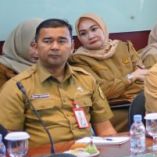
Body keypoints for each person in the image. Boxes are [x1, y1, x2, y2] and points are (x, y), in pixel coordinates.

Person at [0, 18, 115, 146]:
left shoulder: (86, 80)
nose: (55, 47)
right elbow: (10, 144)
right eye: (47, 41)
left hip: (88, 153)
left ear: (72, 47)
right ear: (36, 47)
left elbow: (106, 130)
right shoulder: (16, 87)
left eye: (62, 41)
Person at [69, 13, 147, 131]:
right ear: (79, 38)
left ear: (103, 28)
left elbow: (143, 79)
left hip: (141, 103)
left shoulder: (124, 47)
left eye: (94, 29)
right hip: (113, 111)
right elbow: (100, 91)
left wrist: (117, 88)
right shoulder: (78, 60)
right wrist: (130, 77)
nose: (90, 36)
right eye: (83, 33)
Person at [0, 18, 41, 90]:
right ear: (19, 43)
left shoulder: (52, 67)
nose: (38, 52)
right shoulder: (2, 70)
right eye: (33, 45)